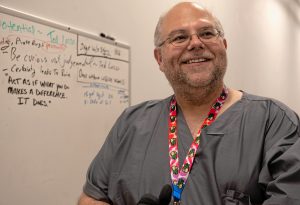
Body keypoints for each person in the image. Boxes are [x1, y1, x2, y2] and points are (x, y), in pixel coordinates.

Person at [78, 2, 300, 205]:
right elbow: (91, 197)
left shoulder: (275, 122)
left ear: (224, 45)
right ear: (159, 59)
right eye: (179, 38)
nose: (195, 43)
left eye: (206, 33)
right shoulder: (131, 123)